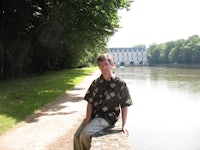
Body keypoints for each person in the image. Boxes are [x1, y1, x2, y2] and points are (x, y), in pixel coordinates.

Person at [73, 53, 133, 150]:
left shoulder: (120, 84)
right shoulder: (95, 83)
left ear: (112, 65)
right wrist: (87, 120)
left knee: (84, 135)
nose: (103, 67)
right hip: (95, 116)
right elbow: (90, 102)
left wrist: (124, 125)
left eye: (106, 64)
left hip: (107, 118)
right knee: (76, 136)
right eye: (101, 65)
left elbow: (125, 105)